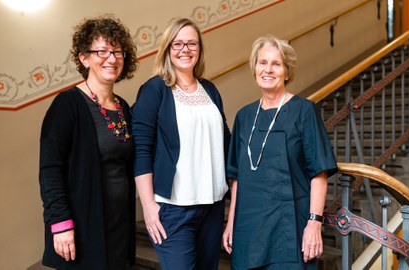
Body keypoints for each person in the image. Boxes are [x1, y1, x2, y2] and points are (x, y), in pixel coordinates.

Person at [222, 35, 337, 270]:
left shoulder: (304, 111)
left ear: (287, 71)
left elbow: (319, 174)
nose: (268, 69)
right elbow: (237, 177)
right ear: (254, 69)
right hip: (248, 229)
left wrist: (314, 223)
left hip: (289, 229)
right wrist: (231, 220)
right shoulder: (244, 117)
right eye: (262, 62)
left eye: (276, 64)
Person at [39, 14, 138, 270]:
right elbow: (50, 170)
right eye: (102, 51)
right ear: (84, 58)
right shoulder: (67, 104)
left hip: (120, 226)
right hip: (83, 226)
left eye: (117, 51)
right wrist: (60, 224)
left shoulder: (123, 108)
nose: (112, 58)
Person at [130, 18, 230, 270]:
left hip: (212, 205)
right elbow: (141, 149)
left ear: (199, 49)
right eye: (178, 43)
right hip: (172, 209)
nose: (185, 49)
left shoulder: (210, 90)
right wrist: (148, 205)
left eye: (192, 44)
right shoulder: (155, 90)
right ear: (167, 48)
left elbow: (226, 141)